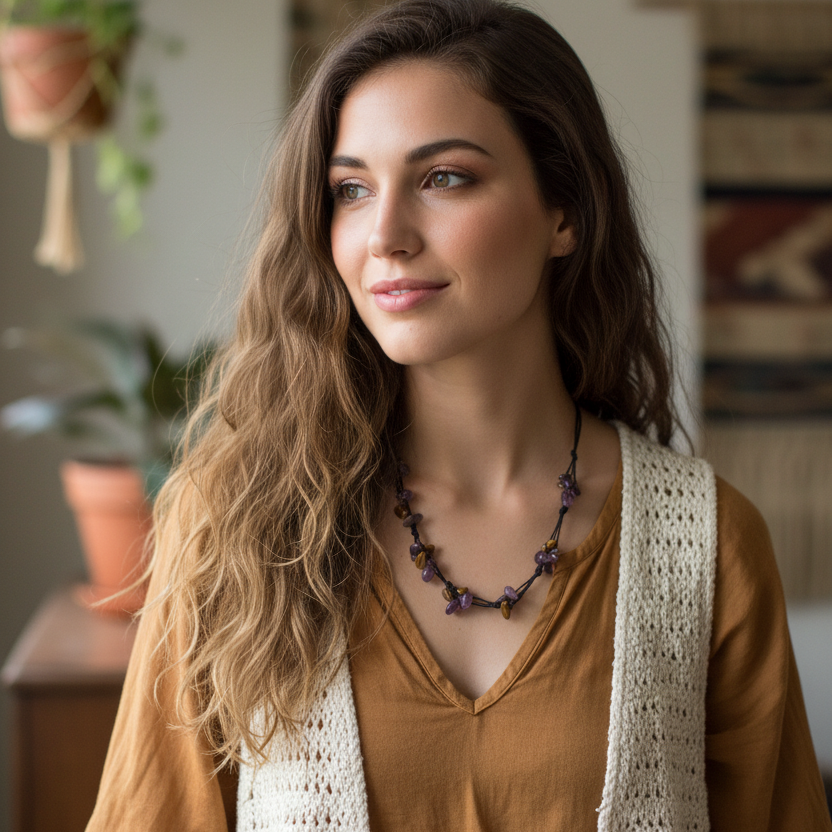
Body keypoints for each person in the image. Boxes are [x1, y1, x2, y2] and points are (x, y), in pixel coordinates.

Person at [86, 0, 832, 830]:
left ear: (564, 213)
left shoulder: (711, 546)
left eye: (444, 177)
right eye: (351, 190)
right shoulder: (232, 526)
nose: (386, 235)